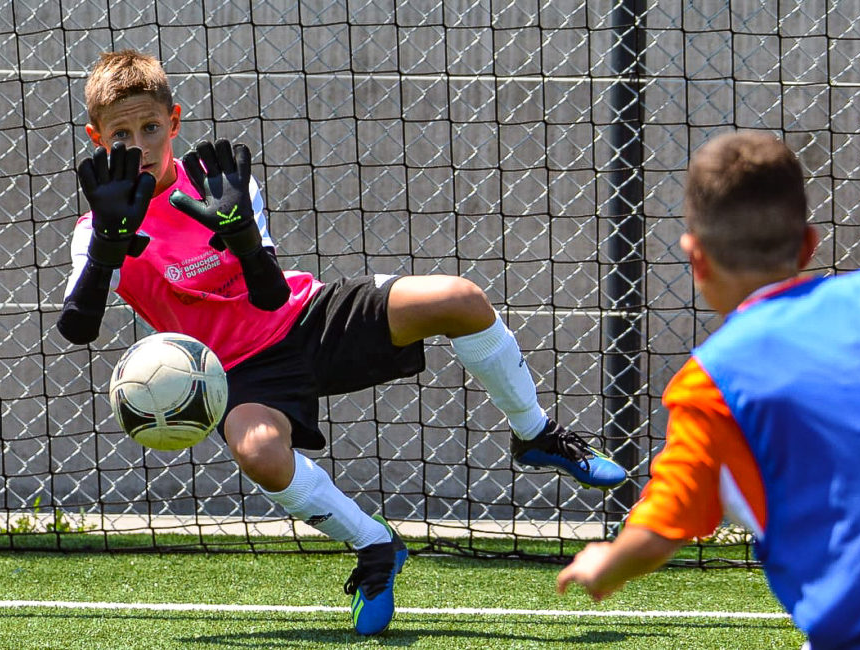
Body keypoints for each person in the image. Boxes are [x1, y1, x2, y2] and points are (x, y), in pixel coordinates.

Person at [57, 49, 627, 636]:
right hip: (238, 374)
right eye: (121, 133)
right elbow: (78, 326)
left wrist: (241, 232)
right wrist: (107, 245)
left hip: (309, 317)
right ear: (96, 137)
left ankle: (535, 433)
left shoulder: (220, 182)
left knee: (460, 298)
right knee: (258, 453)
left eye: (150, 127)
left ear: (173, 120)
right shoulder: (94, 230)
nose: (141, 144)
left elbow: (272, 296)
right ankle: (375, 546)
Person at [556, 131, 860, 648]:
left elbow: (661, 528)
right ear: (810, 243)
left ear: (695, 257)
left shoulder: (712, 384)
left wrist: (606, 564)